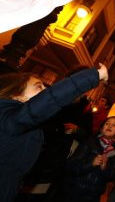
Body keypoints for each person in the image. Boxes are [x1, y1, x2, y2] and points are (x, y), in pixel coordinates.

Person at [0, 64, 108, 202]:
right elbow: (50, 99)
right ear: (18, 96)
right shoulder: (12, 118)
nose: (46, 91)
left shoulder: (83, 109)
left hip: (49, 166)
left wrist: (77, 130)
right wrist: (95, 75)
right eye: (39, 87)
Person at [63, 116, 115, 202]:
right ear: (102, 128)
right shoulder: (90, 141)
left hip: (93, 194)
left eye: (114, 125)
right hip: (75, 189)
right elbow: (71, 165)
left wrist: (104, 168)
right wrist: (91, 164)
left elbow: (113, 175)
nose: (109, 126)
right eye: (107, 123)